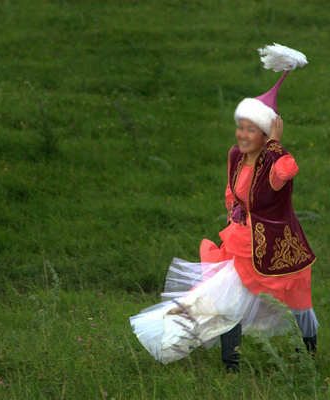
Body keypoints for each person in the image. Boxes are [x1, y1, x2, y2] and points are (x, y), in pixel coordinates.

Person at [129, 44, 317, 372]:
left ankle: (311, 357)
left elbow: (288, 171)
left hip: (278, 245)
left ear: (267, 132)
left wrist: (275, 144)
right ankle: (231, 366)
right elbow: (231, 193)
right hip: (241, 244)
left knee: (299, 302)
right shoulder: (236, 156)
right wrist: (236, 217)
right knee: (227, 303)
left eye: (251, 129)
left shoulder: (275, 163)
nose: (242, 134)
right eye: (241, 126)